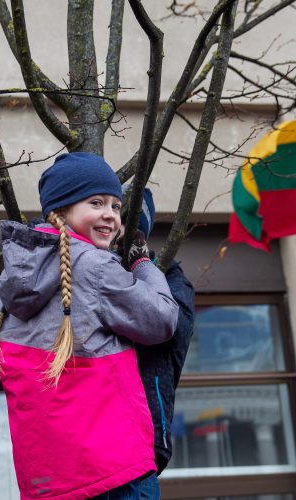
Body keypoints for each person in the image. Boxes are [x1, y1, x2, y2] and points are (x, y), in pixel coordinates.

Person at [0, 152, 179, 499]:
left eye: (116, 207)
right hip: (113, 470)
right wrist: (142, 261)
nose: (110, 215)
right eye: (96, 202)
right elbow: (162, 320)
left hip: (49, 479)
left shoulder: (15, 273)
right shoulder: (93, 265)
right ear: (60, 210)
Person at [120, 189, 195, 499]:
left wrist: (140, 268)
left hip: (142, 438)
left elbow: (172, 329)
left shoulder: (170, 276)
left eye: (126, 227)